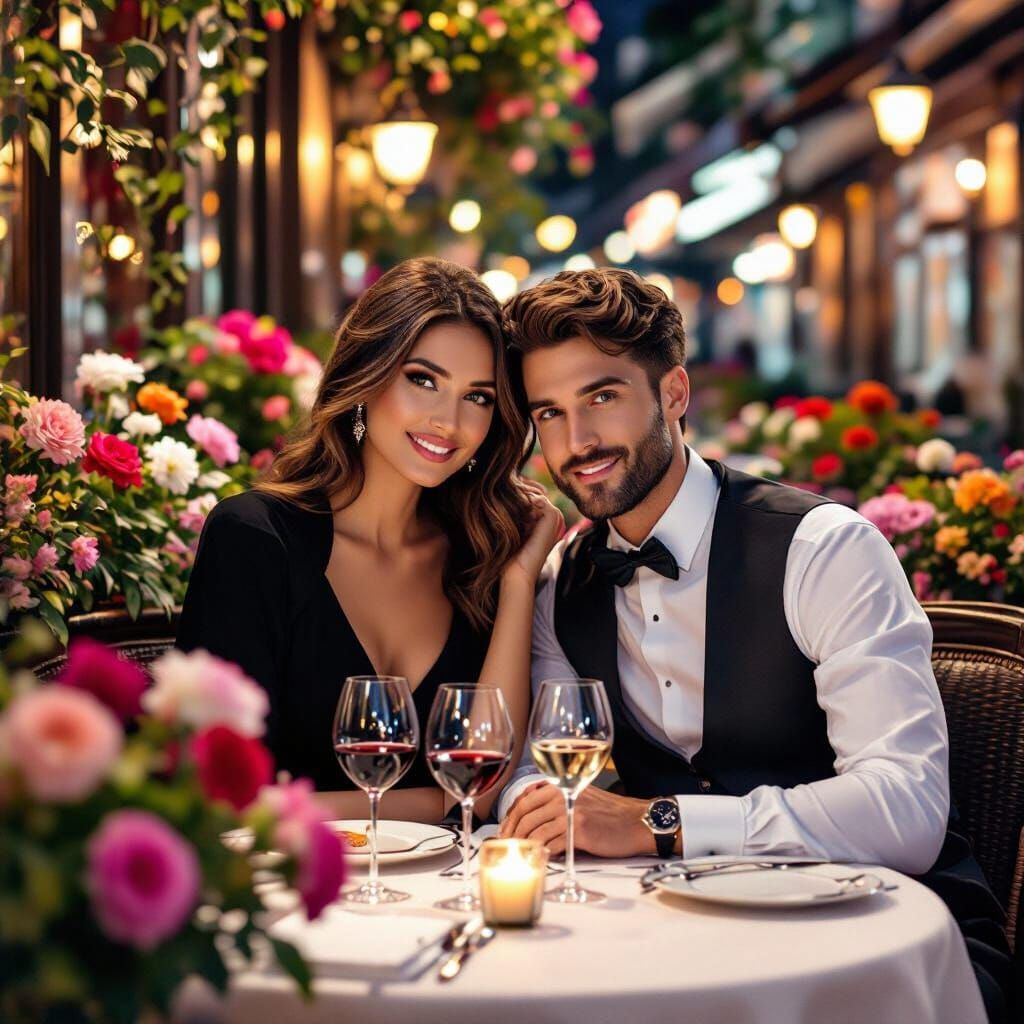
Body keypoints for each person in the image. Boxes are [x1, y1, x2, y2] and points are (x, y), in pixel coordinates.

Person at [497, 267, 1011, 1021]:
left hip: (885, 939)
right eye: (550, 413)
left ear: (674, 393)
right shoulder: (563, 582)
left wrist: (656, 823)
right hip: (680, 937)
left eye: (602, 397)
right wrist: (542, 808)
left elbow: (906, 807)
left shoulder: (823, 549)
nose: (576, 442)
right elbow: (529, 776)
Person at [177, 257, 562, 823]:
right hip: (280, 873)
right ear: (367, 375)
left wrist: (519, 578)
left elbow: (484, 782)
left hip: (443, 879)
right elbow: (219, 797)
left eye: (477, 397)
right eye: (423, 380)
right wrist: (438, 802)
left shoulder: (478, 559)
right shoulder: (254, 539)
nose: (448, 421)